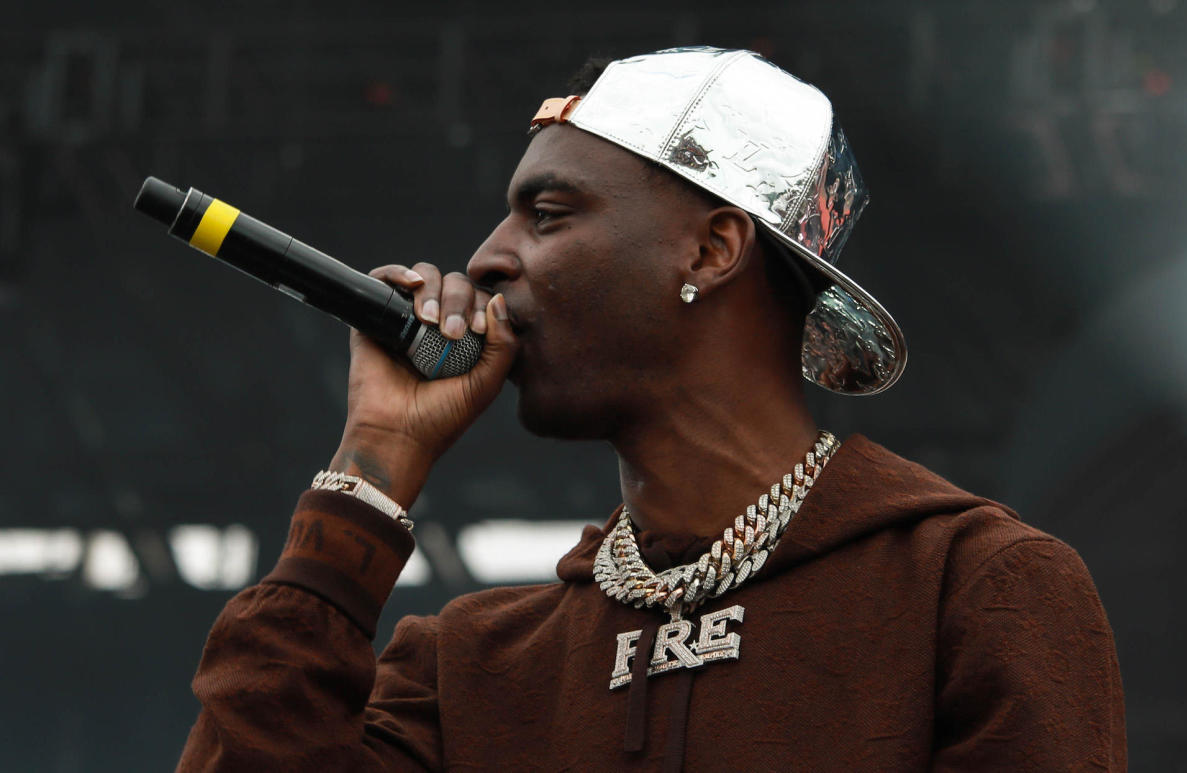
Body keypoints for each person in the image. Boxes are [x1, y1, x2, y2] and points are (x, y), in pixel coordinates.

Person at [177, 48, 1126, 771]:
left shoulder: (973, 591)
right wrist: (371, 465)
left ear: (711, 250)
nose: (489, 257)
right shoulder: (468, 667)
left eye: (547, 214)